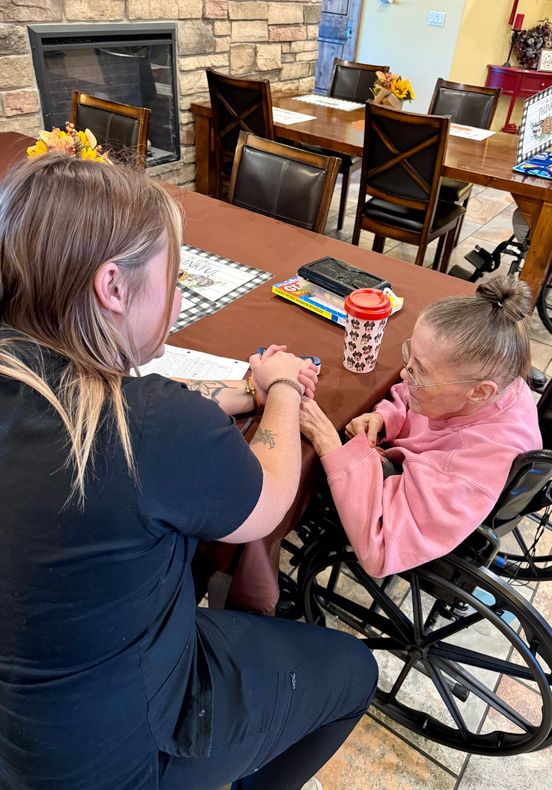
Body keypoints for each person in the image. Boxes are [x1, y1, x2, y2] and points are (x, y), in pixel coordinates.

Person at [0, 153, 378, 790]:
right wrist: (282, 388)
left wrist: (236, 391)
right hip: (123, 753)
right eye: (174, 279)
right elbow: (270, 496)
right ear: (114, 287)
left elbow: (119, 394)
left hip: (24, 733)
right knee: (352, 671)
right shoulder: (152, 427)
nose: (179, 298)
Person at [300, 276, 542, 578]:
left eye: (420, 371)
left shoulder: (466, 471)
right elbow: (412, 396)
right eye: (410, 357)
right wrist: (386, 417)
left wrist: (328, 444)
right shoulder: (495, 377)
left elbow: (382, 550)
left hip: (417, 505)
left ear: (480, 391)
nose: (404, 372)